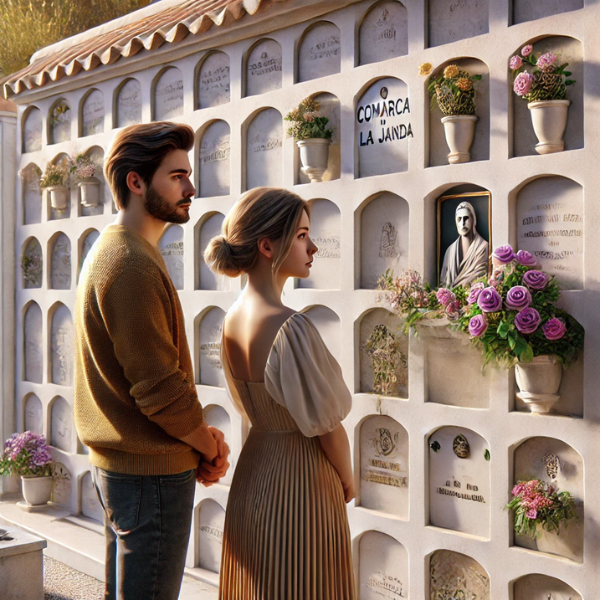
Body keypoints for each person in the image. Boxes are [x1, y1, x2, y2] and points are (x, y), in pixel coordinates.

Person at [74, 122, 229, 600]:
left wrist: (200, 445)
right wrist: (207, 445)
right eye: (177, 176)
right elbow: (159, 387)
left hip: (127, 469)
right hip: (149, 476)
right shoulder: (129, 264)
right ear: (136, 182)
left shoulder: (119, 249)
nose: (191, 188)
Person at [204, 187, 356, 600]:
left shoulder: (231, 320)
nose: (315, 246)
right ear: (268, 245)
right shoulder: (292, 327)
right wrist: (346, 477)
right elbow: (327, 427)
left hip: (253, 474)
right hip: (302, 482)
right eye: (303, 235)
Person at [440, 200, 489, 288]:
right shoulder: (450, 251)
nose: (462, 223)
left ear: (473, 219)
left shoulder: (483, 247)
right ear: (456, 222)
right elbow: (443, 282)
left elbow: (482, 276)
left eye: (466, 218)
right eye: (459, 219)